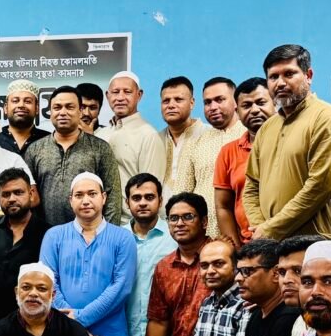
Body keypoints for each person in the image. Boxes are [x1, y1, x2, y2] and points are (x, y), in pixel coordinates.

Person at [40, 172, 136, 336]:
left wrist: (79, 318)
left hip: (110, 332)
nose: (86, 200)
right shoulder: (54, 236)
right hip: (63, 330)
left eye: (92, 194)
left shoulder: (123, 238)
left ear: (104, 198)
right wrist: (71, 322)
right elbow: (47, 282)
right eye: (79, 195)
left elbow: (121, 287)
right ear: (70, 200)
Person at [243, 44, 331, 240]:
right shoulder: (267, 128)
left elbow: (320, 187)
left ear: (308, 75)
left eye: (289, 74)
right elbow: (251, 185)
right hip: (272, 244)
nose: (280, 83)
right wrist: (261, 228)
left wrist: (271, 229)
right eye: (273, 77)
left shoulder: (328, 118)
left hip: (316, 242)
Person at [131, 192, 213, 336]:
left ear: (204, 222)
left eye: (188, 217)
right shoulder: (164, 267)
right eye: (174, 218)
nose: (180, 223)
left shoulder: (219, 259)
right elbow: (159, 321)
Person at [24, 85, 121, 227]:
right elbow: (27, 197)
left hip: (90, 234)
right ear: (50, 112)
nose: (63, 112)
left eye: (69, 107)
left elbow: (112, 196)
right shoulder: (35, 150)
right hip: (45, 235)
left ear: (80, 111)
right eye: (57, 107)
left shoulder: (100, 148)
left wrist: (108, 235)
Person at [176, 77, 246, 239]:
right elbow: (182, 195)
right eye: (207, 102)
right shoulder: (195, 143)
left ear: (236, 102)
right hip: (203, 238)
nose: (213, 107)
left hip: (247, 235)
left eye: (220, 100)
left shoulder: (251, 135)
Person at [122, 172, 177, 336]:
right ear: (127, 202)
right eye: (136, 198)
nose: (143, 203)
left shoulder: (175, 237)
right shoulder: (116, 238)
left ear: (160, 201)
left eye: (149, 197)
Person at [0, 168, 49, 326]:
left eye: (18, 193)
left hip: (33, 322)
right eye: (6, 194)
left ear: (31, 194)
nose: (12, 199)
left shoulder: (48, 235)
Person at [214, 78, 275, 248]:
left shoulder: (292, 143)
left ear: (275, 103)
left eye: (261, 102)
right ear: (237, 112)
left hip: (288, 240)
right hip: (248, 246)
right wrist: (237, 250)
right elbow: (223, 206)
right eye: (246, 105)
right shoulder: (228, 152)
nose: (254, 110)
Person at [95, 71, 164, 219]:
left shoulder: (148, 135)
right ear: (107, 96)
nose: (120, 97)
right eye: (115, 92)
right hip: (99, 222)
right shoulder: (100, 135)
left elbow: (151, 190)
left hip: (130, 223)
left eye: (127, 92)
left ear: (139, 95)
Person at [158, 76, 208, 195]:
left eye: (178, 99)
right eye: (166, 101)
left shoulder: (210, 135)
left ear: (192, 103)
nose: (171, 105)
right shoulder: (155, 140)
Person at [0, 79, 50, 156]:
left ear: (37, 108)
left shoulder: (50, 141)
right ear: (5, 108)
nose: (21, 105)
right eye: (15, 101)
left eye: (27, 101)